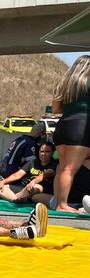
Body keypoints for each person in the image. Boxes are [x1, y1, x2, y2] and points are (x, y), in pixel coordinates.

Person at [51, 55, 90, 213]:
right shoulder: (87, 82)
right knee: (70, 169)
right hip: (81, 126)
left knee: (61, 167)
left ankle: (56, 203)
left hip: (63, 126)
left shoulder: (63, 84)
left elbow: (55, 109)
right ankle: (63, 205)